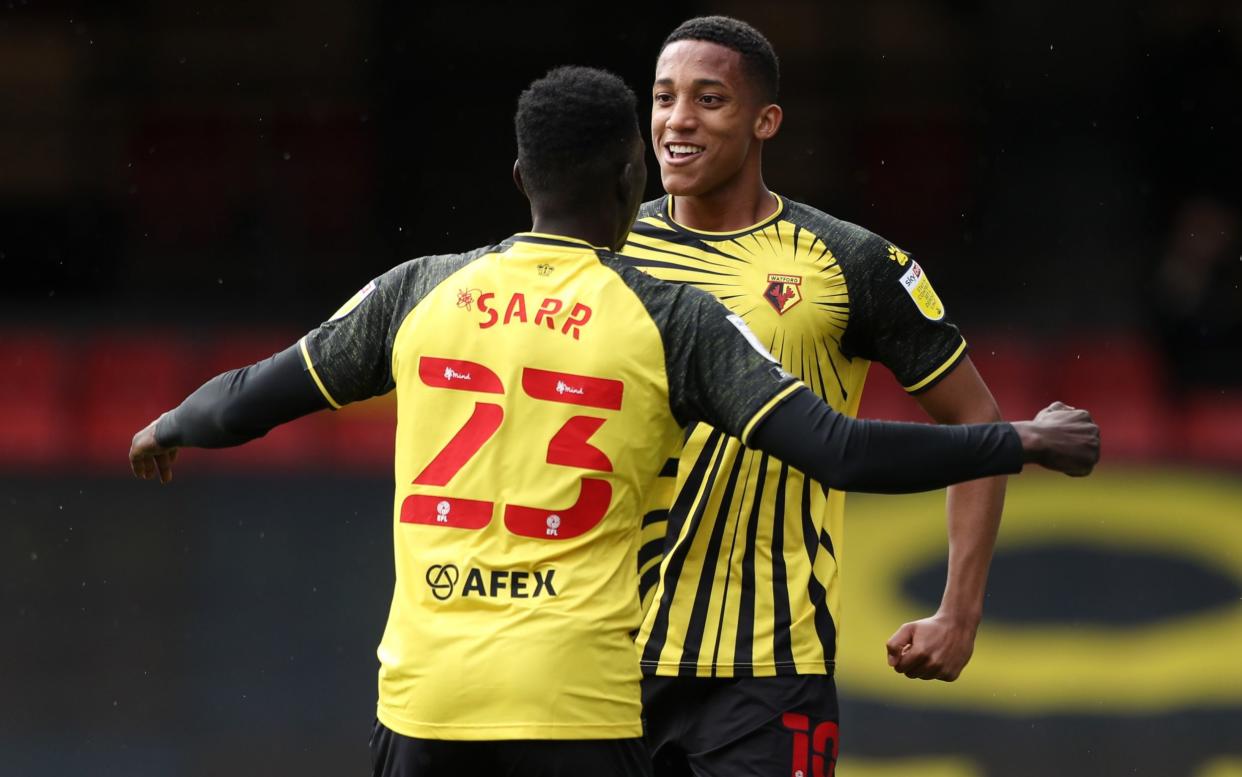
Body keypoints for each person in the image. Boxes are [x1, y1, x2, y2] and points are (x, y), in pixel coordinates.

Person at [129, 66, 1098, 777]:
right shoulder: (668, 317)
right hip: (578, 705)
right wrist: (1021, 440)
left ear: (519, 176)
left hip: (424, 701)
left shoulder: (419, 291)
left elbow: (249, 398)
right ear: (635, 180)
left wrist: (172, 422)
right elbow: (837, 449)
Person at [620, 16, 1052, 776]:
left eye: (708, 99)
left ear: (766, 120)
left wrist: (960, 610)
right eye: (662, 98)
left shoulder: (849, 262)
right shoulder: (605, 252)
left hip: (770, 661)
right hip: (606, 652)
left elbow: (977, 423)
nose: (677, 119)